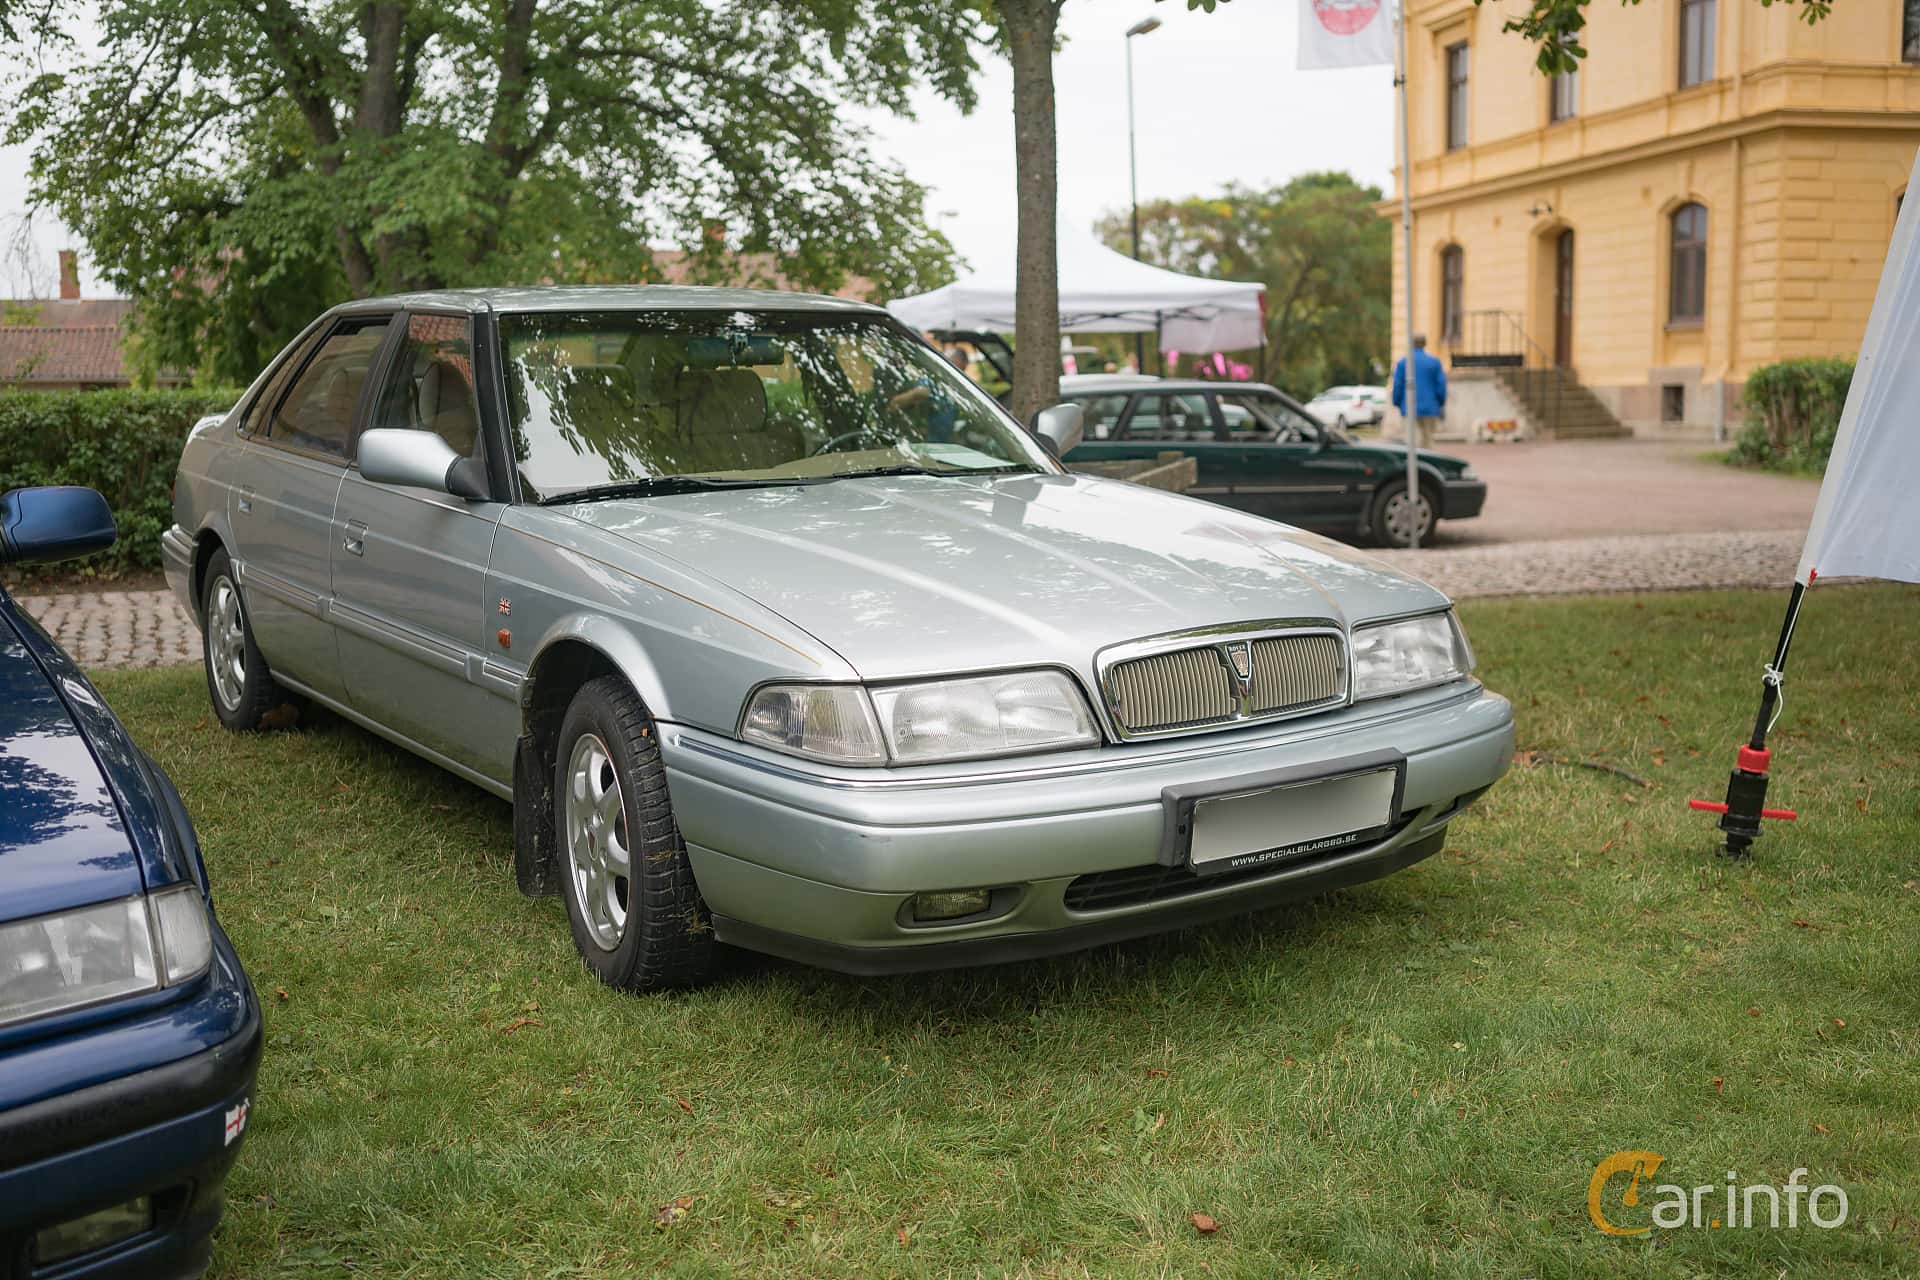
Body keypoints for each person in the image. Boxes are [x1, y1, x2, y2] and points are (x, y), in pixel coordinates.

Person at [1390, 333, 1448, 447]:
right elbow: (1441, 385)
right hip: (1430, 408)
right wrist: (1440, 402)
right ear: (1425, 344)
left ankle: (1414, 464)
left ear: (1411, 344)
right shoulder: (1434, 362)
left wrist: (1397, 402)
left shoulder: (1403, 363)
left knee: (1412, 443)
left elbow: (1398, 385)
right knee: (1428, 442)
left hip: (1409, 407)